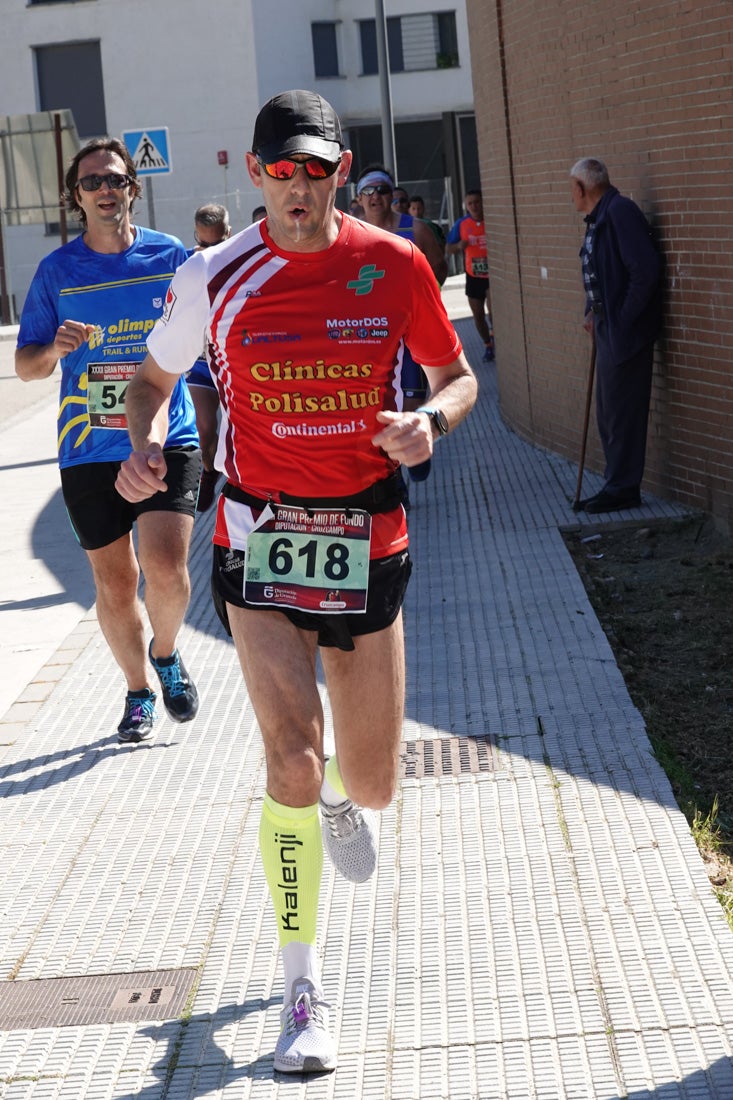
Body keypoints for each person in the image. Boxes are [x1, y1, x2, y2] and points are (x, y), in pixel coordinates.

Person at [116, 89, 477, 1074]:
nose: (299, 188)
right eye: (282, 170)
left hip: (368, 534)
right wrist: (140, 442)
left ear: (336, 168)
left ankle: (336, 800)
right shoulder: (214, 276)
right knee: (287, 759)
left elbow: (459, 377)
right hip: (259, 539)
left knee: (369, 780)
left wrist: (430, 423)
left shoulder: (393, 263)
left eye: (316, 169)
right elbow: (150, 380)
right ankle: (301, 987)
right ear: (256, 172)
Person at [15, 137, 201, 745]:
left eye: (115, 180)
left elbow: (202, 343)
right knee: (116, 585)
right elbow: (25, 367)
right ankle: (138, 690)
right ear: (77, 196)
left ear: (132, 189)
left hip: (165, 439)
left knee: (167, 573)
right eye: (92, 182)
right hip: (88, 448)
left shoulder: (169, 257)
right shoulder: (57, 272)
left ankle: (166, 653)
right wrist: (53, 349)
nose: (104, 190)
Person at [570, 157, 663, 513]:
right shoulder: (599, 218)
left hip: (626, 332)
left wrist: (621, 319)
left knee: (622, 411)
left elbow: (645, 270)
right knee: (609, 411)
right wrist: (592, 311)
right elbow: (600, 272)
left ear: (581, 188)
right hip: (608, 327)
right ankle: (616, 482)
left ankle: (623, 487)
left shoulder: (620, 212)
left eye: (572, 190)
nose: (571, 196)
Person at [356, 164, 448, 489]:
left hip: (408, 336)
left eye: (381, 189)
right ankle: (391, 481)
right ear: (358, 198)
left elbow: (439, 269)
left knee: (407, 410)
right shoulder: (349, 234)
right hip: (369, 339)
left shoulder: (416, 230)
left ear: (392, 195)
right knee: (374, 409)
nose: (376, 196)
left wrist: (416, 305)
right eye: (368, 190)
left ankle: (412, 456)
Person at [186, 203, 232, 512]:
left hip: (234, 363)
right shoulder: (187, 263)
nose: (209, 251)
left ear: (228, 234)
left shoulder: (245, 258)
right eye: (203, 244)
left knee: (240, 432)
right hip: (202, 364)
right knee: (204, 432)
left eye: (217, 244)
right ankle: (208, 468)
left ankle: (225, 469)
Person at [446, 189, 495, 362]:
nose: (474, 206)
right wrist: (459, 246)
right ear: (466, 206)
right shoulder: (462, 224)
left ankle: (494, 335)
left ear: (483, 202)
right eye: (470, 203)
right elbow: (448, 248)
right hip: (473, 275)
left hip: (492, 275)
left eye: (477, 202)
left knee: (493, 311)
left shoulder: (491, 220)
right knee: (478, 315)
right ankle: (488, 344)